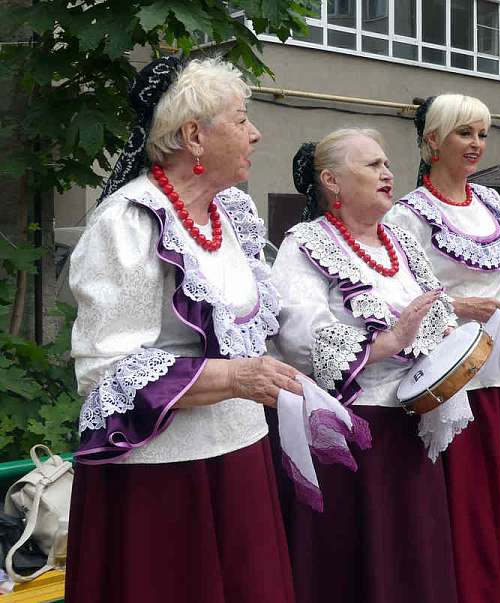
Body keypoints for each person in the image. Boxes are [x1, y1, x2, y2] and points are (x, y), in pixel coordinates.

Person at [66, 56, 298, 603]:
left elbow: (254, 330)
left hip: (241, 455)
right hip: (166, 477)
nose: (255, 133)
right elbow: (105, 371)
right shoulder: (130, 221)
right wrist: (235, 377)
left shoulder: (232, 215)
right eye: (241, 120)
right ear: (194, 135)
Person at [272, 129, 468, 603]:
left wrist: (443, 339)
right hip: (353, 431)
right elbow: (296, 332)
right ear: (332, 181)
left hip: (412, 424)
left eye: (386, 164)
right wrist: (386, 343)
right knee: (355, 561)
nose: (388, 173)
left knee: (414, 555)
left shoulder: (400, 241)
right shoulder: (304, 244)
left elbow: (434, 308)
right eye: (372, 165)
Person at [384, 94, 500, 603]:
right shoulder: (408, 215)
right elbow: (395, 296)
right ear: (433, 141)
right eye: (463, 133)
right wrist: (455, 307)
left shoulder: (494, 205)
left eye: (481, 134)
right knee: (464, 497)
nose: (476, 144)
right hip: (449, 376)